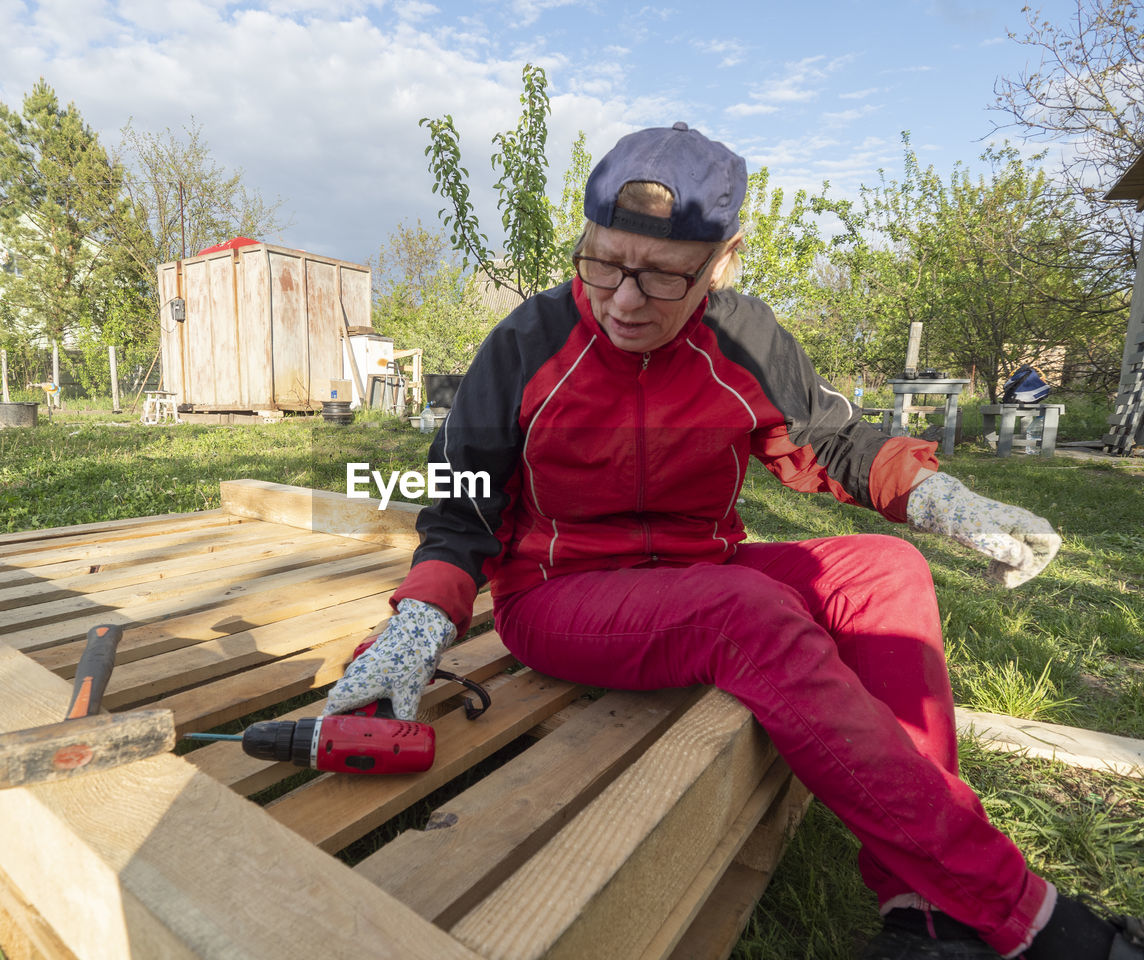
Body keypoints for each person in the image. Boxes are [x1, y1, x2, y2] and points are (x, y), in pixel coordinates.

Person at [325, 123, 1143, 960]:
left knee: (886, 570)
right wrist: (422, 619)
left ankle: (921, 913)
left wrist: (943, 497)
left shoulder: (745, 338)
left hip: (697, 568)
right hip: (562, 593)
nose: (624, 300)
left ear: (723, 262)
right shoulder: (528, 345)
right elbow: (459, 499)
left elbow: (832, 441)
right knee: (743, 612)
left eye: (662, 275)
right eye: (602, 262)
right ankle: (1024, 917)